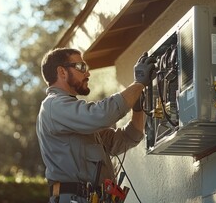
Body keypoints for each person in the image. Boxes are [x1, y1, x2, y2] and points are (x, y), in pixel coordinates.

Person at [36, 48, 156, 203]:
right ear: (62, 72)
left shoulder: (77, 118)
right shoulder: (54, 106)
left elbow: (126, 139)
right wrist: (139, 83)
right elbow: (101, 115)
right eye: (81, 67)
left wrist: (138, 108)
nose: (87, 73)